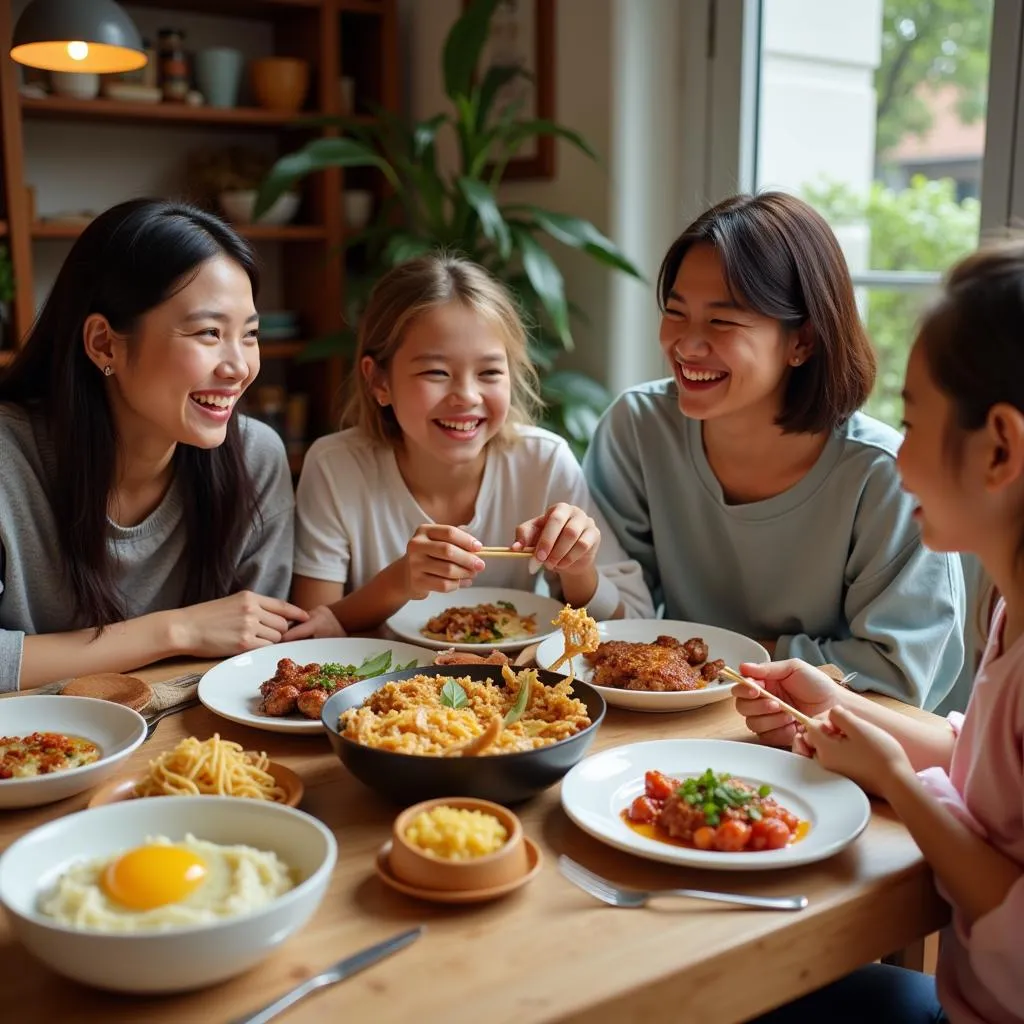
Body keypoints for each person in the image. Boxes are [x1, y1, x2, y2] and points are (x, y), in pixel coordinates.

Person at [738, 243, 1024, 1024]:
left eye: (912, 424)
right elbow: (990, 779)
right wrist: (842, 703)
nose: (895, 459)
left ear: (1000, 447)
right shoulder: (1010, 612)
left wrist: (897, 779)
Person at [582, 191, 965, 709]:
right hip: (668, 717)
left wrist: (710, 662)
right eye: (676, 312)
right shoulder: (637, 429)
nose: (687, 345)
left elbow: (898, 673)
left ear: (802, 341)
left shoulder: (885, 474)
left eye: (722, 321)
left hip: (818, 740)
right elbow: (610, 616)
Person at [0, 198, 307, 691]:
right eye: (209, 332)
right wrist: (175, 629)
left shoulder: (255, 457)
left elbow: (254, 660)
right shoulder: (8, 460)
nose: (239, 368)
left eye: (248, 335)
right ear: (104, 344)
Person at [286, 253, 654, 638]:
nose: (466, 395)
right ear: (379, 381)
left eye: (490, 372)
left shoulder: (543, 462)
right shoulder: (336, 466)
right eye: (436, 372)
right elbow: (312, 631)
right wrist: (399, 582)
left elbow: (636, 620)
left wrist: (579, 570)